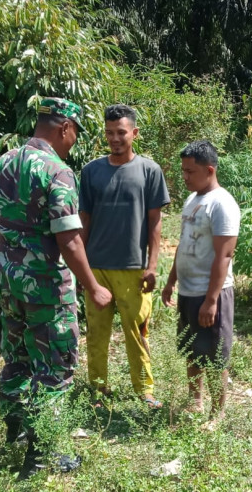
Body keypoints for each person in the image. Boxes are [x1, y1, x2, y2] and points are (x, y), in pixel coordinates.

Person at [0, 97, 113, 478]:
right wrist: (92, 286)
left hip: (8, 279)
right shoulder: (58, 172)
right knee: (54, 366)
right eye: (74, 134)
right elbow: (70, 240)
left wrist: (8, 254)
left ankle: (15, 426)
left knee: (18, 355)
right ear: (63, 128)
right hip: (44, 287)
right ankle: (42, 457)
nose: (73, 141)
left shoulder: (2, 163)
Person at [79, 104, 171, 409]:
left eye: (120, 132)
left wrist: (152, 265)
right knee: (97, 334)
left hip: (133, 268)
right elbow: (85, 222)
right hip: (97, 268)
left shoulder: (149, 170)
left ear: (134, 132)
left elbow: (155, 221)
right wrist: (83, 273)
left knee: (137, 332)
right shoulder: (91, 171)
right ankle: (99, 391)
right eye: (109, 133)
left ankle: (145, 390)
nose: (114, 138)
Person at [160, 140, 240, 424]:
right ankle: (195, 401)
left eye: (189, 171)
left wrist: (211, 300)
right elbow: (183, 245)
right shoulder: (193, 200)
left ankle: (217, 414)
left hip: (212, 293)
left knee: (216, 354)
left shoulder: (222, 204)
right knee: (192, 348)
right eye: (183, 170)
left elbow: (225, 255)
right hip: (189, 291)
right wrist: (171, 281)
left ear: (209, 170)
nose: (184, 176)